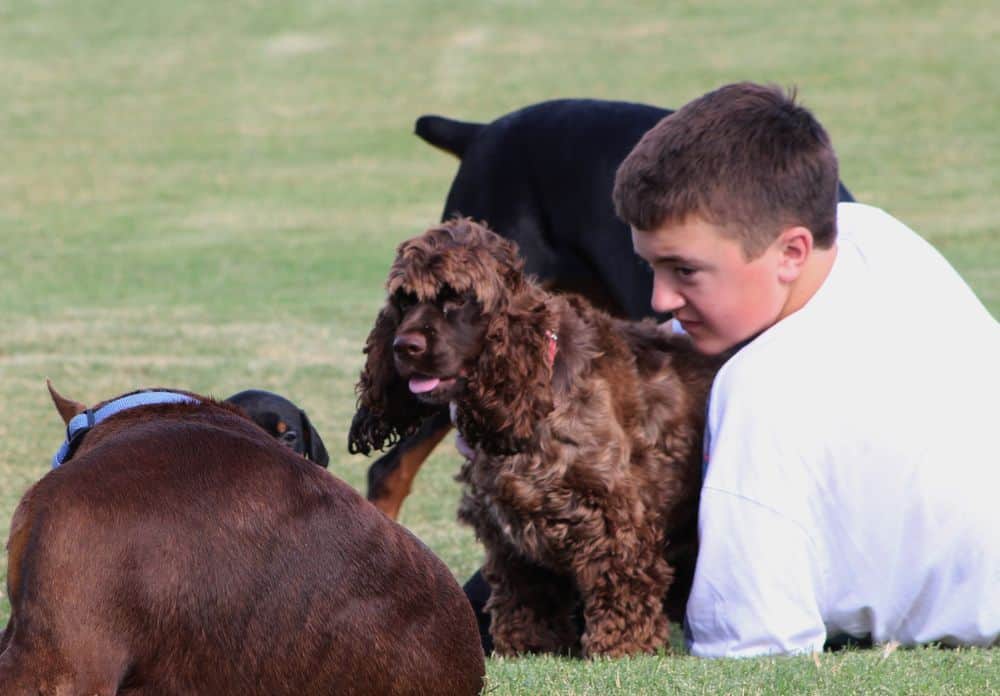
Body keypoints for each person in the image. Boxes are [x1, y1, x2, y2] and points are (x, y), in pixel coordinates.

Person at [611, 81, 1000, 657]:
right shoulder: (871, 233)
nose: (661, 297)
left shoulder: (764, 396)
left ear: (790, 252)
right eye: (651, 267)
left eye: (685, 271)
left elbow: (754, 646)